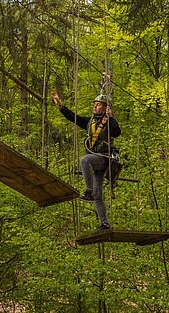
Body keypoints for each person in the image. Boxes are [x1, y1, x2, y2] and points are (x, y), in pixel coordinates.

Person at [51, 91, 121, 231]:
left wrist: (110, 117)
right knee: (98, 194)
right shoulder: (90, 121)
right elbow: (74, 118)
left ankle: (88, 191)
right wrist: (60, 106)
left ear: (105, 107)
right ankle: (104, 223)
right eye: (95, 104)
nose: (95, 107)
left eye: (99, 105)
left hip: (104, 158)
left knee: (84, 160)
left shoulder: (108, 122)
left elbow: (117, 132)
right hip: (96, 160)